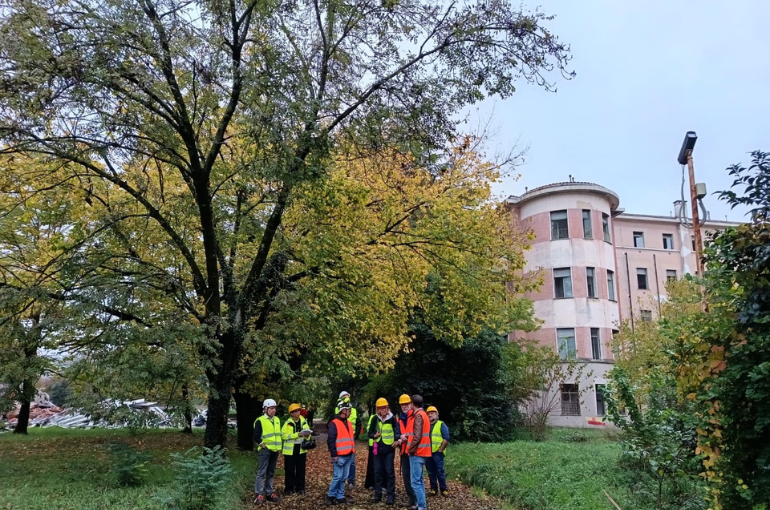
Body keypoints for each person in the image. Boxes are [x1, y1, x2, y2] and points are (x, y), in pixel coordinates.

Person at [368, 398, 401, 506]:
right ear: (377, 409)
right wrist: (374, 435)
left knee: (389, 472)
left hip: (389, 450)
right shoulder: (375, 419)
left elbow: (397, 432)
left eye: (384, 408)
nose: (383, 410)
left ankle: (391, 496)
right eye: (380, 408)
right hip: (377, 450)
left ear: (387, 408)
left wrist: (396, 440)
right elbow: (370, 433)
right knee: (377, 472)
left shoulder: (392, 419)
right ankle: (378, 495)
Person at [253, 398, 282, 504]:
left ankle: (269, 493)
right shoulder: (260, 420)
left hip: (275, 450)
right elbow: (256, 436)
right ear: (265, 409)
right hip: (265, 450)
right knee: (262, 472)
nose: (273, 410)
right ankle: (259, 494)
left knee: (271, 472)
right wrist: (262, 445)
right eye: (271, 408)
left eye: (274, 408)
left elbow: (278, 434)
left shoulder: (277, 420)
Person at [327, 401, 356, 506]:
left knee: (344, 477)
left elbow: (350, 438)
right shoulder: (334, 423)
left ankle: (340, 496)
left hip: (349, 454)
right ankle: (330, 496)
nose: (350, 412)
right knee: (338, 477)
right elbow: (331, 440)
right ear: (343, 411)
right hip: (339, 456)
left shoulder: (349, 423)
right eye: (349, 410)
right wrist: (334, 454)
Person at [407, 395, 431, 510]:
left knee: (415, 482)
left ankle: (421, 506)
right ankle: (421, 504)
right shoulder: (424, 414)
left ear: (413, 404)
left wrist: (410, 450)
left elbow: (417, 436)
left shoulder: (418, 416)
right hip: (424, 452)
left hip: (417, 453)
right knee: (419, 480)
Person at [282, 403, 313, 496]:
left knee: (301, 469)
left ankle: (300, 488)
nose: (298, 413)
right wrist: (296, 435)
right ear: (291, 413)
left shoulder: (303, 421)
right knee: (289, 470)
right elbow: (283, 435)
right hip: (290, 451)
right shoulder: (287, 423)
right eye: (295, 411)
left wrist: (307, 435)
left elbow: (308, 433)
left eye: (298, 410)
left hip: (301, 449)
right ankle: (289, 488)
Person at [393, 394, 416, 509]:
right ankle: (411, 499)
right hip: (404, 452)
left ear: (411, 404)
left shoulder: (416, 417)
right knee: (406, 477)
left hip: (414, 452)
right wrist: (400, 437)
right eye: (402, 405)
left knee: (415, 477)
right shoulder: (399, 419)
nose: (404, 406)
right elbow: (396, 433)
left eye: (406, 404)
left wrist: (406, 437)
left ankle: (417, 501)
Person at [335, 390, 359, 489]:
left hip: (351, 438)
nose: (346, 398)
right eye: (344, 396)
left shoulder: (354, 410)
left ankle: (351, 481)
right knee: (340, 461)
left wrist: (356, 435)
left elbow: (357, 422)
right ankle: (340, 481)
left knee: (352, 462)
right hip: (341, 439)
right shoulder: (337, 408)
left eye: (347, 396)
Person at [424, 406, 449, 497]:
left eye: (432, 413)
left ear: (436, 414)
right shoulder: (425, 425)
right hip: (427, 452)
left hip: (437, 453)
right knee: (431, 472)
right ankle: (433, 489)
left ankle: (444, 489)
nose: (430, 415)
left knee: (440, 471)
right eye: (428, 413)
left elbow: (446, 438)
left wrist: (441, 449)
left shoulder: (441, 424)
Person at [364, 411, 376, 491]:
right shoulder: (373, 417)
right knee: (372, 464)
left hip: (382, 445)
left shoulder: (388, 417)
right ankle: (371, 483)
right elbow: (369, 430)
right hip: (373, 445)